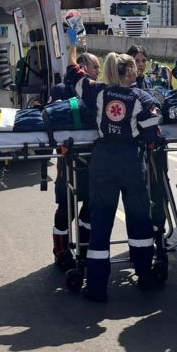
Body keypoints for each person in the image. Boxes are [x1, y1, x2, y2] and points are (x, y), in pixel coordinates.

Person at [67, 43, 163, 302]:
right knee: (139, 220)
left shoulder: (98, 92)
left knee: (101, 224)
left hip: (103, 163)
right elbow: (153, 133)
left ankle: (97, 287)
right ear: (129, 73)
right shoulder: (142, 98)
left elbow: (73, 76)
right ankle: (144, 276)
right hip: (131, 163)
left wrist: (72, 48)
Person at [47, 50, 100, 269]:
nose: (98, 71)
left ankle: (84, 249)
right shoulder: (60, 90)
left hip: (92, 160)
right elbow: (49, 121)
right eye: (95, 67)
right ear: (83, 67)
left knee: (90, 207)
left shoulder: (96, 92)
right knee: (64, 210)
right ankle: (60, 251)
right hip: (68, 162)